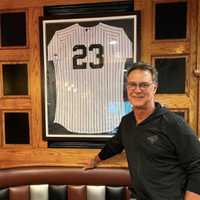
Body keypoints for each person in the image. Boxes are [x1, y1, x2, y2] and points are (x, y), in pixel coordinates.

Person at [84, 62, 200, 200]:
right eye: (132, 84)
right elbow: (115, 144)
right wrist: (95, 160)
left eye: (144, 85)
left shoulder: (173, 124)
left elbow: (197, 168)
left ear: (154, 88)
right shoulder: (127, 122)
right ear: (127, 88)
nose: (137, 90)